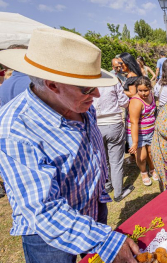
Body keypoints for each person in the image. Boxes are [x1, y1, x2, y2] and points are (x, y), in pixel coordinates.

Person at [0, 28, 139, 263]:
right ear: (52, 85)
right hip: (48, 236)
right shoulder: (15, 128)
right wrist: (105, 241)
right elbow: (43, 211)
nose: (96, 94)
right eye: (87, 88)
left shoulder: (80, 104)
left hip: (93, 211)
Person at [92, 81, 134, 202]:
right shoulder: (112, 81)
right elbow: (124, 102)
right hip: (114, 123)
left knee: (103, 159)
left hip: (96, 124)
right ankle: (118, 193)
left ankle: (107, 186)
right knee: (116, 161)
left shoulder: (86, 79)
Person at [127, 76, 157, 186]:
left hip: (150, 131)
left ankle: (152, 169)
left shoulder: (152, 96)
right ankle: (144, 172)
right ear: (136, 89)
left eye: (146, 90)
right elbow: (134, 122)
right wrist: (134, 142)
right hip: (138, 134)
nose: (143, 93)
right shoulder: (136, 101)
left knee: (151, 153)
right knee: (142, 156)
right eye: (140, 90)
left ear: (150, 88)